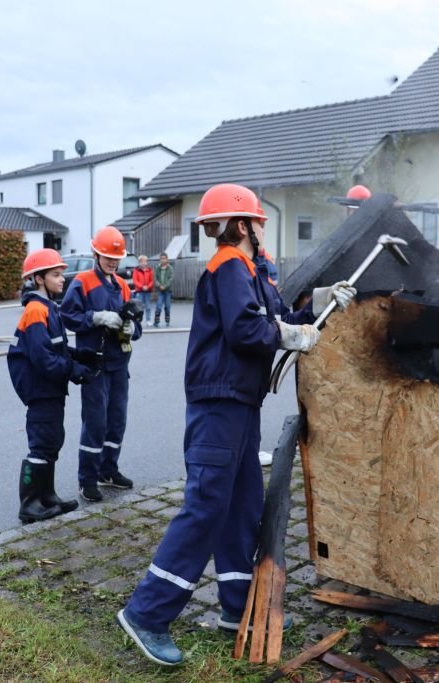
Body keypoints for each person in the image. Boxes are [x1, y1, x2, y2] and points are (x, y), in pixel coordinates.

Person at [116, 183, 355, 666]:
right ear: (244, 225)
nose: (262, 227)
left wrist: (319, 306)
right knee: (207, 506)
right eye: (259, 222)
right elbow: (248, 330)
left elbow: (279, 318)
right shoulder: (229, 267)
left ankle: (236, 605)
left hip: (239, 405)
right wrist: (291, 333)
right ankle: (146, 613)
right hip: (219, 405)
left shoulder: (249, 271)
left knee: (241, 505)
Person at [7, 248, 95, 523]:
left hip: (50, 389)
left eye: (61, 274)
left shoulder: (48, 308)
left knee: (52, 441)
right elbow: (43, 358)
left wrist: (78, 355)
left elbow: (55, 348)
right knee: (42, 444)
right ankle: (30, 505)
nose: (62, 279)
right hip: (40, 390)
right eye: (56, 274)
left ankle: (47, 497)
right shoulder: (36, 310)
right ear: (39, 279)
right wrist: (73, 370)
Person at [60, 225, 142, 502]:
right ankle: (87, 479)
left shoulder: (122, 286)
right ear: (96, 254)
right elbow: (67, 316)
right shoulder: (82, 282)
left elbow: (137, 325)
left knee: (117, 421)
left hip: (119, 365)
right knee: (95, 423)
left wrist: (132, 329)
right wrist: (95, 318)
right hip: (94, 366)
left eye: (116, 258)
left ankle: (108, 470)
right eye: (108, 257)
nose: (113, 262)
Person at [153, 252, 174, 327]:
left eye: (164, 259)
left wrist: (165, 286)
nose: (163, 260)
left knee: (167, 306)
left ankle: (167, 321)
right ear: (160, 260)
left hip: (168, 290)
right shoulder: (157, 268)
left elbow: (171, 279)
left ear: (167, 259)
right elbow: (155, 278)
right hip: (160, 290)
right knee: (159, 306)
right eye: (162, 259)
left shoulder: (170, 268)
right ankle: (156, 321)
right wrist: (159, 285)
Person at [132, 255, 154, 323]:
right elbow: (135, 281)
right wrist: (142, 286)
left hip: (147, 291)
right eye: (141, 262)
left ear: (146, 262)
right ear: (139, 262)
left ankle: (148, 320)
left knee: (148, 306)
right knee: (138, 307)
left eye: (145, 261)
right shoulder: (136, 270)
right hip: (139, 291)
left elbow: (152, 281)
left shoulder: (150, 270)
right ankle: (138, 320)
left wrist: (148, 287)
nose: (143, 263)